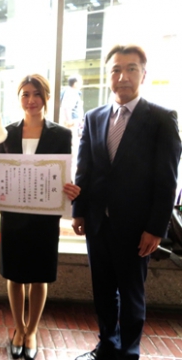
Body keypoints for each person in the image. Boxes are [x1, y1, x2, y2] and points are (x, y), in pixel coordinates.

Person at [72, 45, 181, 360]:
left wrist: (155, 229)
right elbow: (85, 170)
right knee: (103, 291)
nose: (123, 76)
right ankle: (107, 345)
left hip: (137, 229)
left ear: (143, 74)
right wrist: (79, 212)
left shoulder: (161, 119)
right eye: (116, 70)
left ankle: (128, 352)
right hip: (97, 223)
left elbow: (167, 181)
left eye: (131, 69)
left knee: (132, 295)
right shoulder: (93, 118)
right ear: (108, 76)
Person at [0, 74, 80, 360]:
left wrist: (70, 188)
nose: (31, 100)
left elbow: (63, 173)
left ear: (46, 97)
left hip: (44, 217)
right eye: (25, 94)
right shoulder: (7, 133)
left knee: (39, 276)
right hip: (13, 215)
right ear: (19, 98)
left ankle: (32, 330)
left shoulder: (61, 134)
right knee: (14, 275)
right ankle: (18, 327)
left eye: (36, 94)